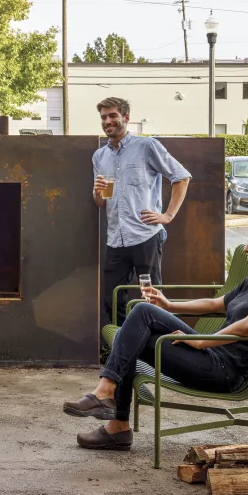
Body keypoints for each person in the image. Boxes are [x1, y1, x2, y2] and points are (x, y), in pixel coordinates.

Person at [63, 211, 248, 450]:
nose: (247, 248)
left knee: (137, 324)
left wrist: (202, 341)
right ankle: (114, 418)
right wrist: (170, 305)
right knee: (137, 324)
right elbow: (215, 304)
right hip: (210, 355)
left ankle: (113, 413)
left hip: (225, 371)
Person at [92, 97, 192, 325]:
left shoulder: (147, 146)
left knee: (152, 299)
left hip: (145, 237)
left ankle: (157, 352)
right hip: (116, 240)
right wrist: (98, 192)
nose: (108, 121)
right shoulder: (100, 156)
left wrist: (168, 216)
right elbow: (101, 202)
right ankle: (125, 352)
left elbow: (182, 177)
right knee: (112, 301)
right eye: (104, 117)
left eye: (113, 116)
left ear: (126, 118)